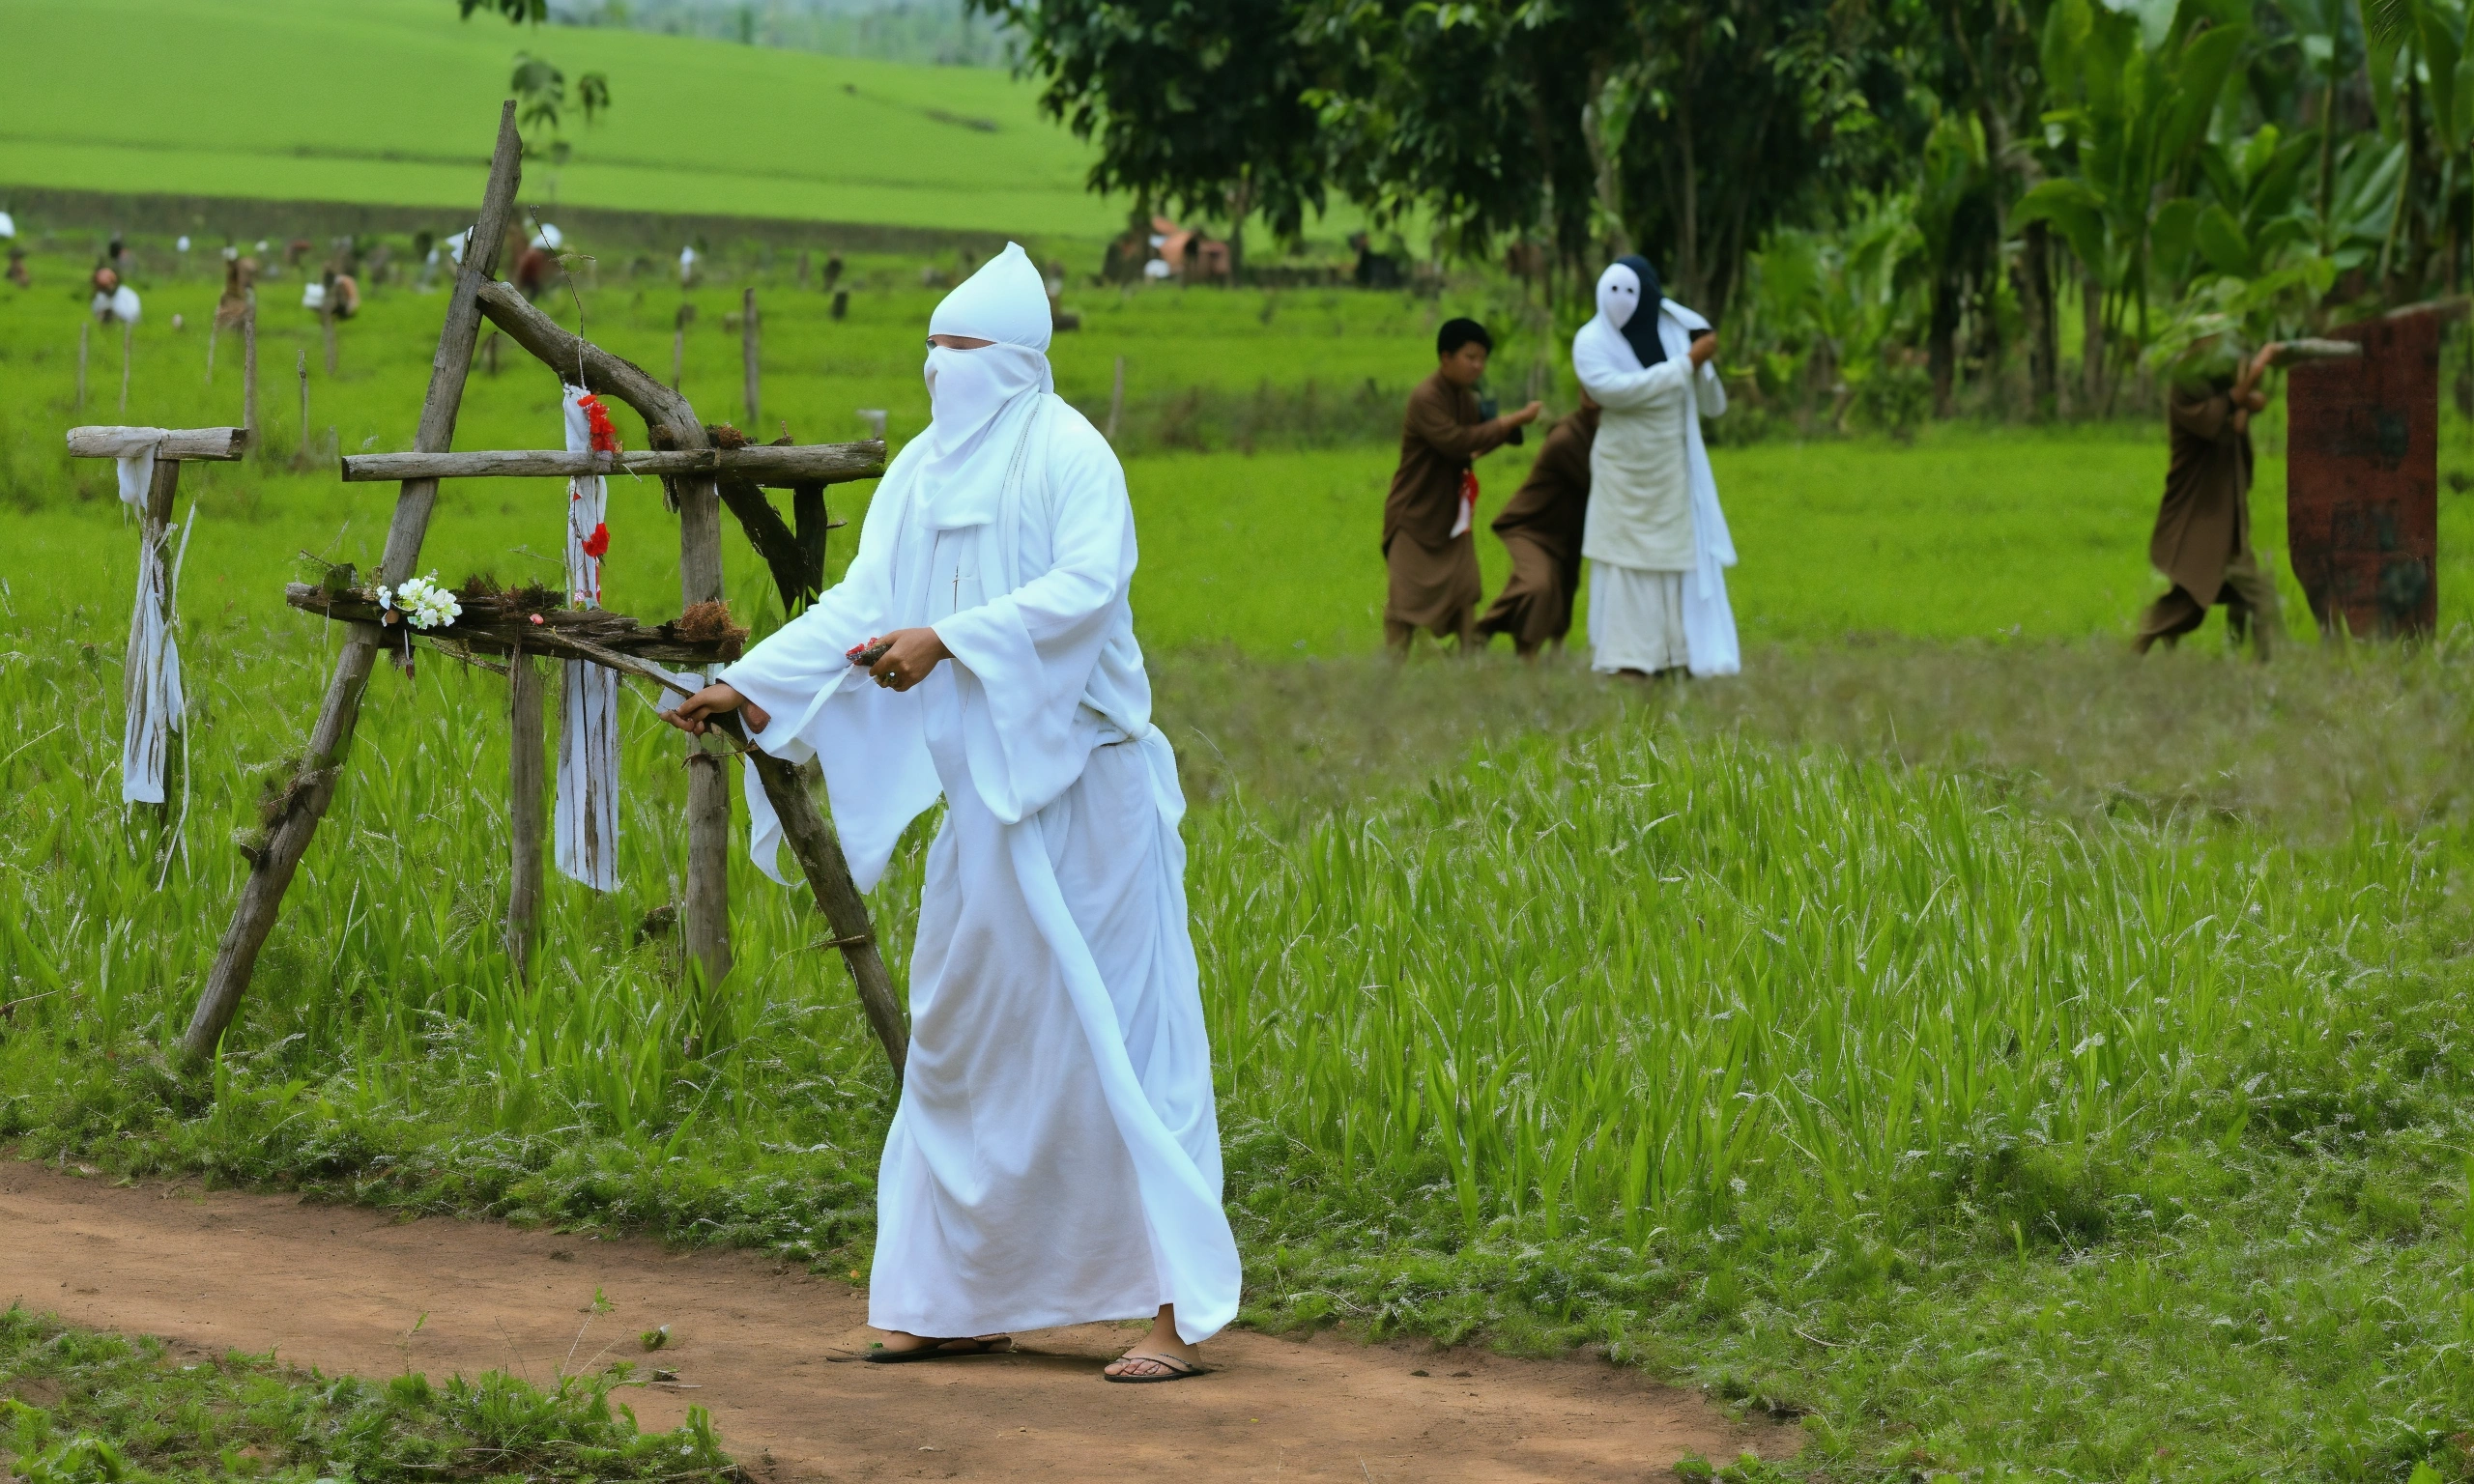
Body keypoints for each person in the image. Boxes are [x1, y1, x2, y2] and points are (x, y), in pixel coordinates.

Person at [658, 243, 1239, 1384]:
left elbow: (1085, 587)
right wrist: (751, 684)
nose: (941, 370)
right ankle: (950, 1297)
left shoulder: (1075, 457)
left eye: (961, 351)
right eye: (931, 349)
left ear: (1014, 363)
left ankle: (1174, 1310)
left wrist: (953, 638)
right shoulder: (923, 470)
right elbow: (869, 605)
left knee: (1123, 1037)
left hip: (1091, 798)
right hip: (985, 801)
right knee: (961, 1035)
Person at [1571, 256, 1738, 679]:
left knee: (1672, 557)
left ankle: (1673, 654)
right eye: (1613, 291)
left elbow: (1710, 400)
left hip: (1669, 468)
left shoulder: (1671, 331)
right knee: (1624, 560)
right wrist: (1686, 364)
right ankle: (1627, 657)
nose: (1622, 302)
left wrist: (1696, 362)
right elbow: (1615, 391)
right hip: (1622, 471)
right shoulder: (1590, 342)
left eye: (1632, 291)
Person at [1382, 319, 1542, 653]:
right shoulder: (1425, 398)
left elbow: (1471, 447)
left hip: (1450, 517)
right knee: (1404, 605)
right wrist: (1508, 422)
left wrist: (1504, 430)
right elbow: (1456, 442)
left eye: (1482, 359)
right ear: (1446, 357)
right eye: (1470, 357)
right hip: (1414, 517)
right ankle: (1389, 677)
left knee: (1465, 592)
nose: (1478, 366)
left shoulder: (1464, 399)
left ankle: (1469, 670)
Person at [2135, 339, 2287, 657]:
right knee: (2245, 593)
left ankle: (2256, 659)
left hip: (2221, 507)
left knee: (2229, 594)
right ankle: (2273, 663)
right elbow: (2231, 402)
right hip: (2201, 508)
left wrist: (2246, 401)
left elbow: (2244, 405)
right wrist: (2261, 363)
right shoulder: (2187, 378)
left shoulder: (2217, 371)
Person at [1476, 392, 1600, 657]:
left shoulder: (1598, 431)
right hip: (1530, 528)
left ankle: (1481, 634)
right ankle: (1524, 652)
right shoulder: (1566, 440)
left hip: (1564, 532)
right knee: (1538, 585)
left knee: (1563, 585)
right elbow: (1601, 485)